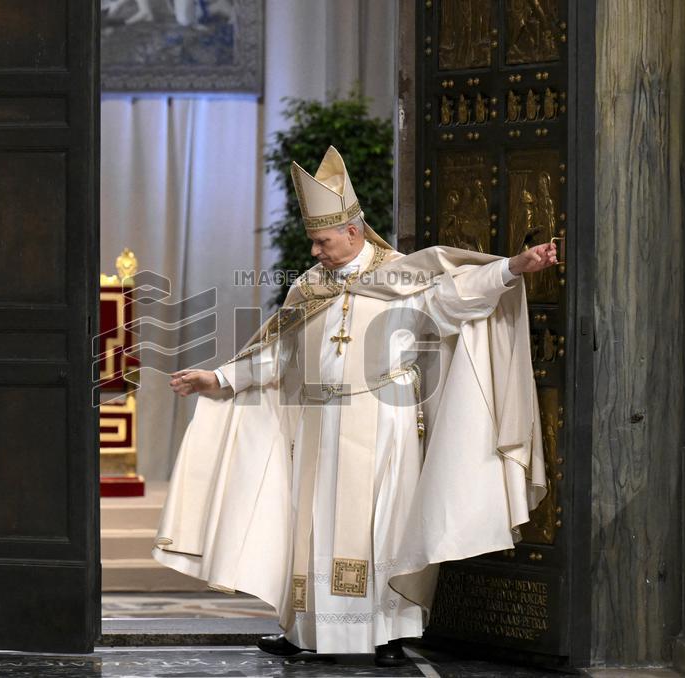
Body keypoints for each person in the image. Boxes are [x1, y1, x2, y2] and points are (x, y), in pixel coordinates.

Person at [155, 146, 556, 667]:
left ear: (353, 231)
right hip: (320, 423)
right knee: (312, 525)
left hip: (382, 420)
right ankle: (308, 633)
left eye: (323, 241)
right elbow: (278, 357)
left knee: (381, 524)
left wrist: (512, 268)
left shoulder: (405, 278)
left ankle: (385, 634)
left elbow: (457, 297)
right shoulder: (308, 287)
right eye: (313, 243)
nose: (317, 252)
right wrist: (219, 378)